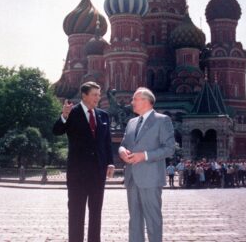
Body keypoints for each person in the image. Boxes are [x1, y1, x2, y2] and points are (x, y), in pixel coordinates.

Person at [53, 81, 114, 242]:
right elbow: (56, 131)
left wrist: (110, 163)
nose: (98, 98)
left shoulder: (103, 115)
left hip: (98, 173)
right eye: (95, 94)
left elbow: (107, 142)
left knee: (96, 213)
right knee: (76, 213)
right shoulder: (72, 113)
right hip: (77, 174)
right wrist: (64, 116)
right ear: (84, 95)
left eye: (99, 94)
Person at [119, 87, 175, 242]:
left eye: (134, 99)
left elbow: (169, 149)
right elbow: (123, 144)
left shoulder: (162, 120)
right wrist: (122, 151)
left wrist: (144, 156)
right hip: (132, 178)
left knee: (153, 220)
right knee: (134, 220)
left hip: (151, 179)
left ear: (145, 101)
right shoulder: (131, 122)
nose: (131, 103)